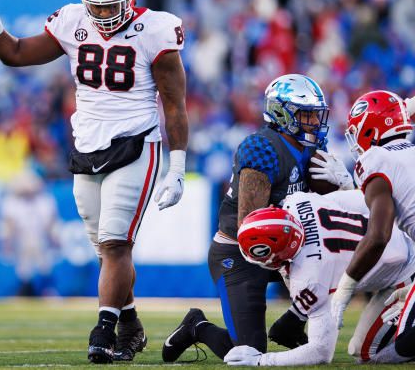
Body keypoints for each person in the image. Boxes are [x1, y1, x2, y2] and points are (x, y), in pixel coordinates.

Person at [0, 0, 188, 363]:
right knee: (107, 251)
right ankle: (131, 325)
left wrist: (176, 167)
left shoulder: (156, 29)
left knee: (115, 243)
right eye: (97, 4)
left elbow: (175, 105)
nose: (103, 12)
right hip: (86, 146)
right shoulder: (73, 20)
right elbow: (15, 54)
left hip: (137, 142)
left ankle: (104, 331)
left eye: (111, 3)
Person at [162, 74, 353, 362]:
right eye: (306, 115)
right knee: (249, 352)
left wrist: (343, 187)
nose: (314, 123)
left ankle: (291, 324)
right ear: (281, 113)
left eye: (316, 115)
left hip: (285, 244)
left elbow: (324, 213)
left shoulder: (314, 148)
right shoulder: (262, 147)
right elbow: (251, 226)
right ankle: (196, 326)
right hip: (241, 251)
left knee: (332, 255)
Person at [224, 190, 415, 365]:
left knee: (363, 353)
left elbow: (321, 352)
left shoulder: (309, 277)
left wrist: (263, 360)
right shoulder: (298, 201)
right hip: (402, 232)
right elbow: (366, 200)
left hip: (405, 270)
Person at [331, 90, 415, 361]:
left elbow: (378, 236)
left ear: (368, 130)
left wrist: (344, 289)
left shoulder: (376, 159)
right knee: (365, 350)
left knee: (395, 351)